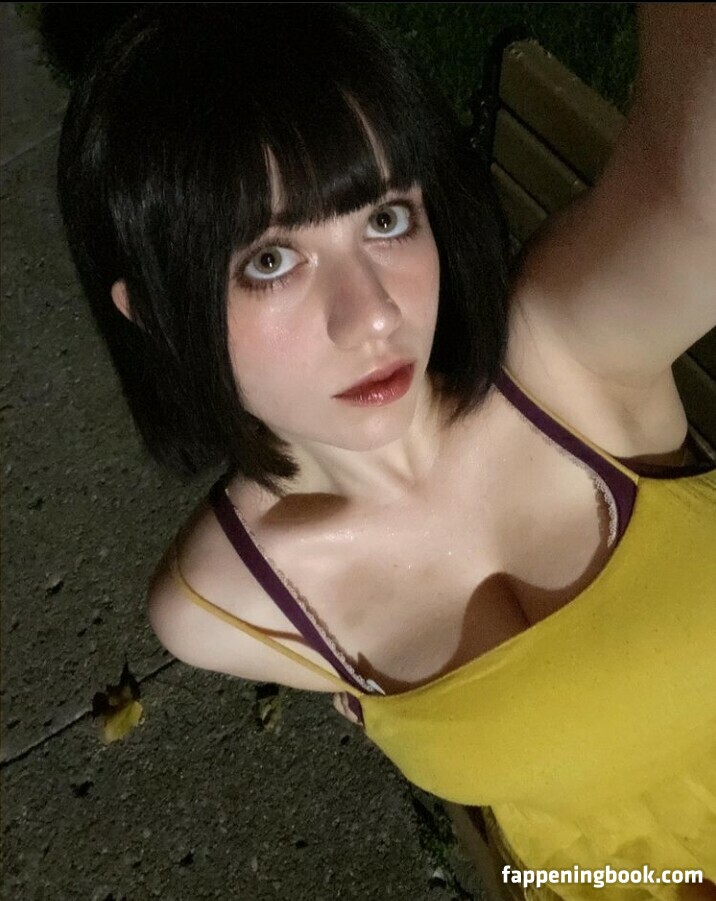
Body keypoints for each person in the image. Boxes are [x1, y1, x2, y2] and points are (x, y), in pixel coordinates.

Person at [52, 3, 716, 899]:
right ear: (160, 314)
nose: (371, 315)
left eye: (387, 217)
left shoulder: (567, 361)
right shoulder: (222, 606)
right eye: (270, 262)